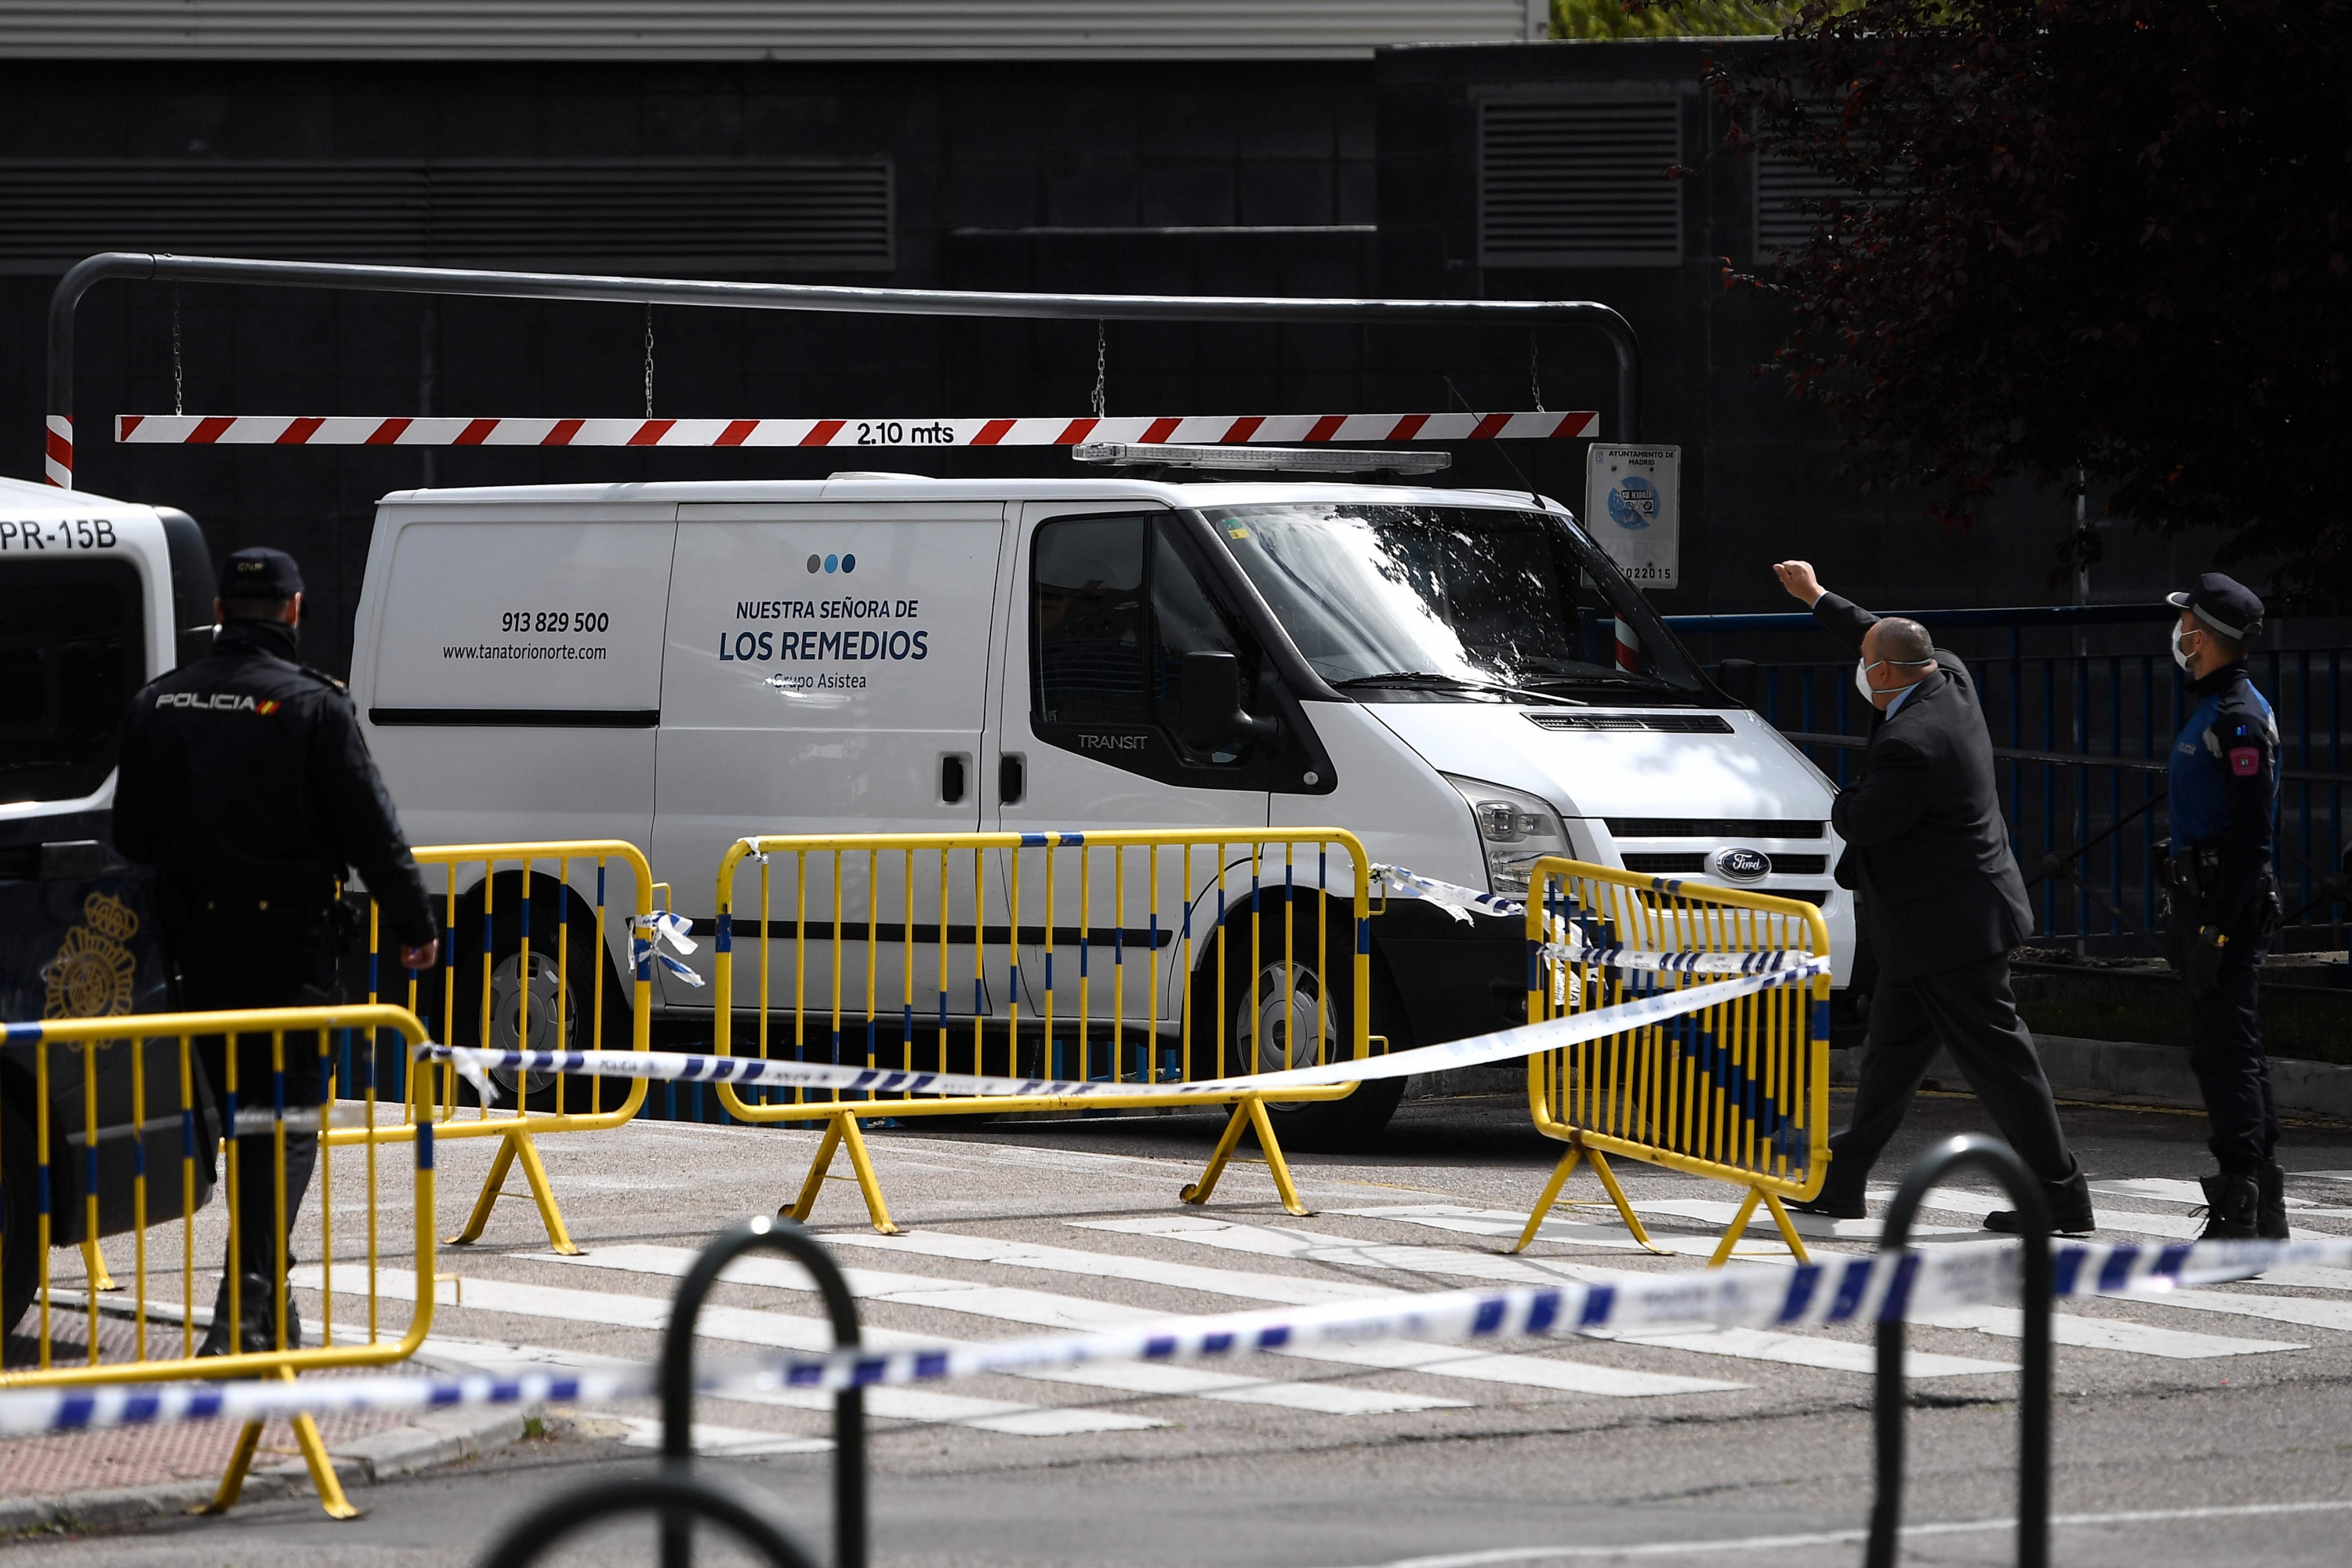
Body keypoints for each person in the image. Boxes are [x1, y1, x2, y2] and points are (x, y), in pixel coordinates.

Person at [113, 546, 439, 1356]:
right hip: (287, 951)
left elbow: (130, 833)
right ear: (294, 611)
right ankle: (248, 1302)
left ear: (221, 608)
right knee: (281, 1122)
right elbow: (372, 828)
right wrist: (415, 925)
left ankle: (261, 1293)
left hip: (189, 949)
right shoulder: (313, 706)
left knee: (238, 1120)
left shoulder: (159, 701)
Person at [1769, 561, 2095, 1235]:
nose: (1859, 667)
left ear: (1884, 676)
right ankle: (1844, 1183)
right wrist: (1817, 596)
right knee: (1889, 1059)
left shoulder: (1914, 747)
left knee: (2003, 1066)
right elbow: (1878, 632)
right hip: (1924, 927)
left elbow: (1858, 821)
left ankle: (2063, 1198)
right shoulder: (1948, 675)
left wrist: (1842, 795)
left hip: (1954, 930)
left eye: (1865, 663)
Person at [2158, 572, 2285, 1240]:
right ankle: (2263, 1209)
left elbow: (2251, 835)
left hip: (2223, 908)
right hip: (2202, 899)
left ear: (2200, 636)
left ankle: (2243, 1209)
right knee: (2233, 1050)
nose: (2176, 633)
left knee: (2225, 1054)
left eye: (2184, 624)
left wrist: (2215, 927)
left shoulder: (2237, 716)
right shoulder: (2216, 706)